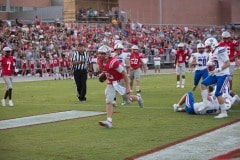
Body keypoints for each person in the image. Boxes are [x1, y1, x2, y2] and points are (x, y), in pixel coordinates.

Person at [97, 45, 144, 128]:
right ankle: (109, 121)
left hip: (121, 81)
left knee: (127, 100)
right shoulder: (99, 61)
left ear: (107, 54)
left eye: (102, 53)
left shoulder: (114, 62)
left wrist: (128, 87)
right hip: (111, 82)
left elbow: (124, 74)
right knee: (109, 100)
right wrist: (103, 75)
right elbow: (106, 71)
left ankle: (138, 98)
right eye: (99, 53)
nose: (100, 55)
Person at [201, 37, 231, 118]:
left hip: (223, 75)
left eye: (208, 46)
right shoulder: (211, 53)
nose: (207, 48)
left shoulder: (220, 50)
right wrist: (211, 68)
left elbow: (228, 63)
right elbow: (214, 65)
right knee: (203, 84)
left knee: (218, 93)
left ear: (213, 45)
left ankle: (224, 112)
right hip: (215, 74)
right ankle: (205, 104)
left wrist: (219, 69)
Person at [173, 85, 240, 115]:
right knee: (200, 105)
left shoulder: (215, 99)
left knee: (188, 93)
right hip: (195, 112)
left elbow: (207, 96)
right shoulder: (218, 110)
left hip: (191, 108)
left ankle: (177, 106)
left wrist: (205, 90)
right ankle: (180, 109)